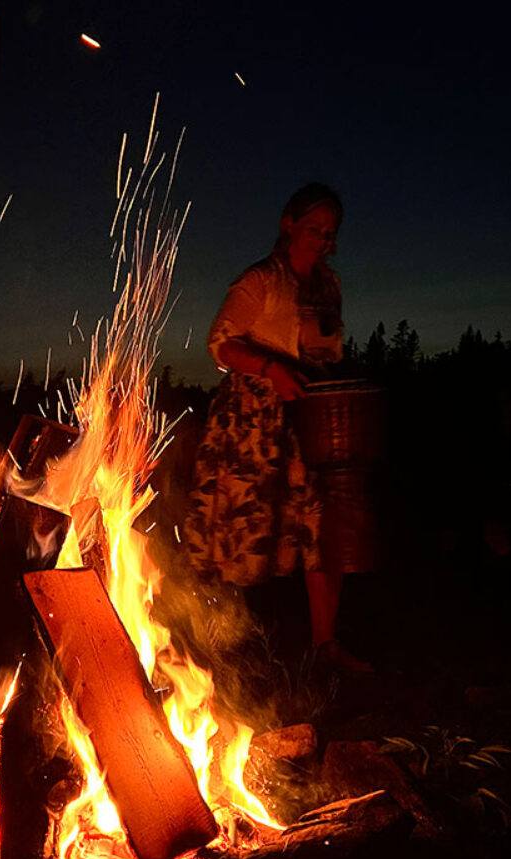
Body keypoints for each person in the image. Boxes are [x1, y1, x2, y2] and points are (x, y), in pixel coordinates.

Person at [185, 183, 368, 672]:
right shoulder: (260, 280)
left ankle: (326, 644)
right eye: (314, 229)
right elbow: (220, 344)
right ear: (289, 224)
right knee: (244, 529)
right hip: (253, 418)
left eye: (330, 233)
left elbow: (328, 352)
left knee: (323, 529)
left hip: (313, 418)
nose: (324, 240)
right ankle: (219, 648)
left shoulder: (328, 286)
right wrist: (271, 368)